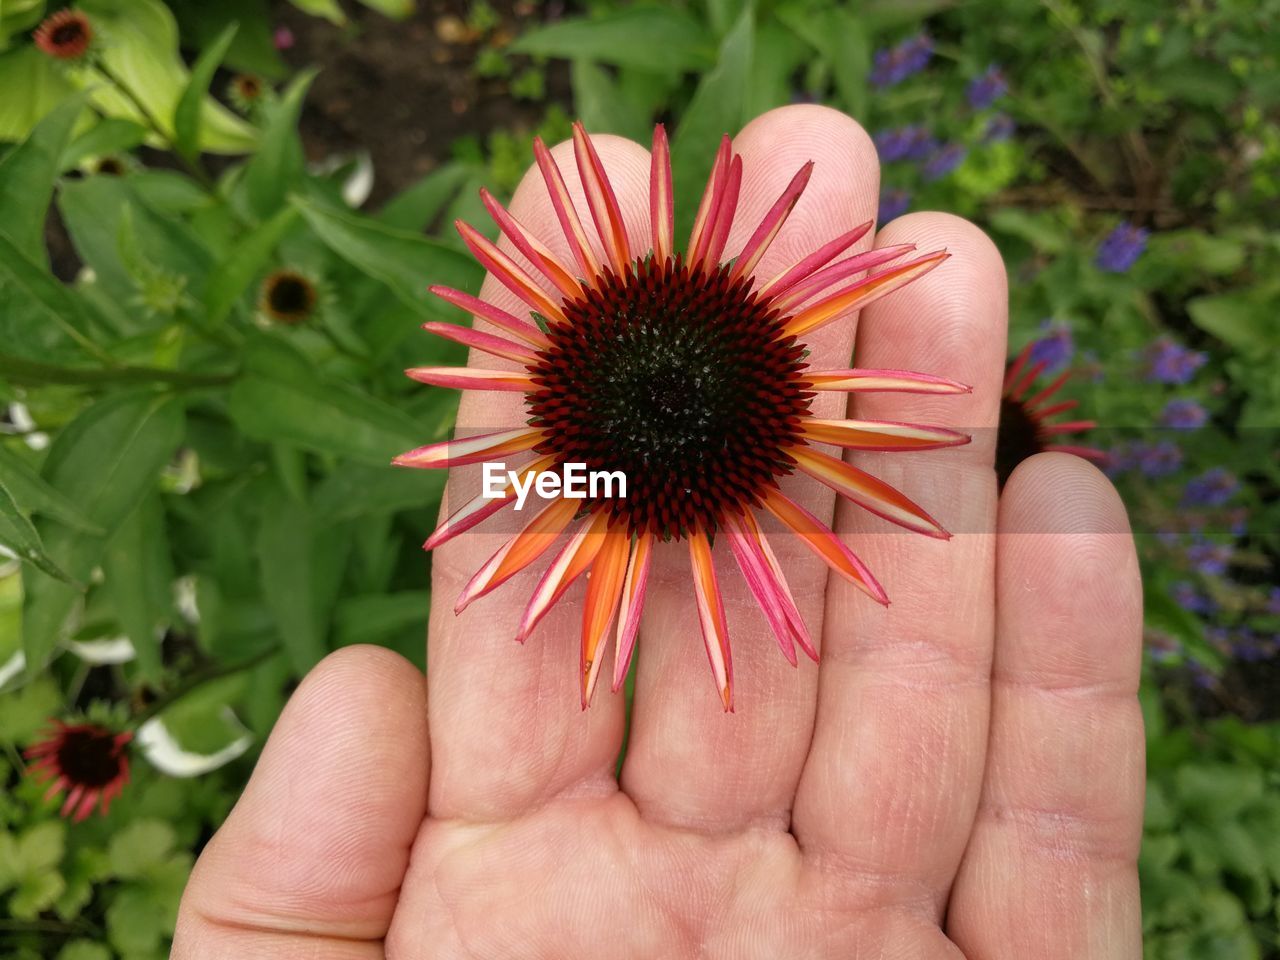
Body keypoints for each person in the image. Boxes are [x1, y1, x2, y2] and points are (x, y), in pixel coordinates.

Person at [173, 106, 1144, 959]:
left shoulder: (611, 471)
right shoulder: (591, 472)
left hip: (637, 472)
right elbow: (511, 494)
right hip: (622, 473)